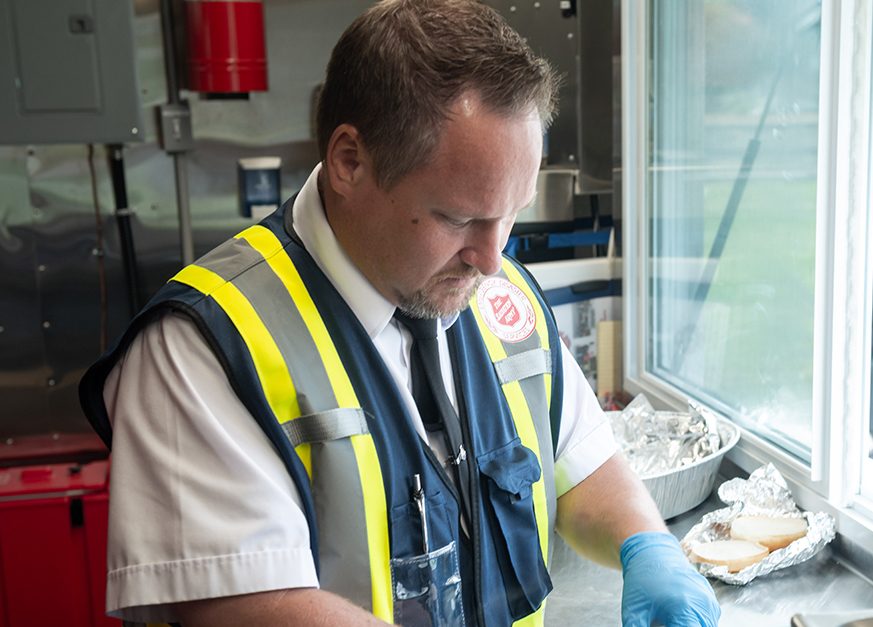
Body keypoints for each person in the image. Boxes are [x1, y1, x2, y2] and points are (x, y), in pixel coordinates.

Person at [80, 1, 720, 625]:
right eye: (459, 217)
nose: (492, 259)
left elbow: (581, 462)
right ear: (350, 162)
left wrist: (647, 546)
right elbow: (243, 602)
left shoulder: (500, 297)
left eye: (512, 212)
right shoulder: (203, 348)